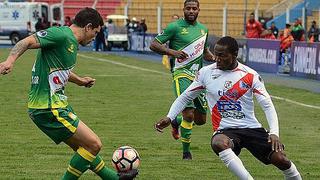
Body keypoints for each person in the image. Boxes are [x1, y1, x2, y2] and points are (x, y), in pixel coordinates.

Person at [0, 7, 138, 180]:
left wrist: (79, 80)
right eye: (95, 32)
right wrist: (10, 60)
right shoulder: (62, 35)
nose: (95, 37)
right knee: (94, 144)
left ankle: (114, 179)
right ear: (88, 27)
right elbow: (26, 42)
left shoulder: (70, 42)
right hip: (49, 106)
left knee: (84, 148)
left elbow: (60, 71)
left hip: (51, 105)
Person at [155, 36, 302, 180]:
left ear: (235, 55)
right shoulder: (206, 73)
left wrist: (274, 133)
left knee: (281, 159)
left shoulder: (250, 75)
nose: (217, 59)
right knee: (218, 142)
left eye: (222, 56)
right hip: (226, 130)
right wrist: (169, 117)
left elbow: (267, 105)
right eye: (216, 54)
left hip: (252, 128)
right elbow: (185, 97)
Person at [150, 0, 214, 160]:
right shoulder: (174, 27)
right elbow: (153, 44)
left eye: (194, 8)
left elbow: (204, 51)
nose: (191, 11)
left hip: (199, 77)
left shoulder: (203, 29)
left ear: (199, 10)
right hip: (182, 74)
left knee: (200, 120)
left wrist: (213, 57)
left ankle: (176, 121)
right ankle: (186, 153)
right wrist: (172, 52)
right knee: (189, 114)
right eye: (188, 8)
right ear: (183, 9)